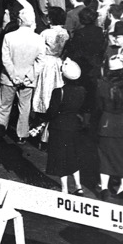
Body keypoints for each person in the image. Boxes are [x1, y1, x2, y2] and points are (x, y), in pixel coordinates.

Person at [96, 54, 123, 199]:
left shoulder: (101, 83)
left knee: (105, 156)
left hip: (106, 123)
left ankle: (104, 188)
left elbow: (99, 105)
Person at [0, 20, 44, 142]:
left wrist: (13, 76)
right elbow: (40, 61)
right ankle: (22, 134)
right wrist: (29, 77)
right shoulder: (39, 39)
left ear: (19, 21)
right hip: (28, 80)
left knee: (4, 105)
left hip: (9, 78)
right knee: (25, 107)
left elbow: (5, 59)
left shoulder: (9, 36)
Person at [44, 60, 88, 194]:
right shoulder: (82, 91)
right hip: (74, 127)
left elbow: (51, 112)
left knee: (60, 157)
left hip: (59, 128)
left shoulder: (59, 92)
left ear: (63, 76)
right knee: (73, 156)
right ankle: (78, 186)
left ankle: (64, 188)